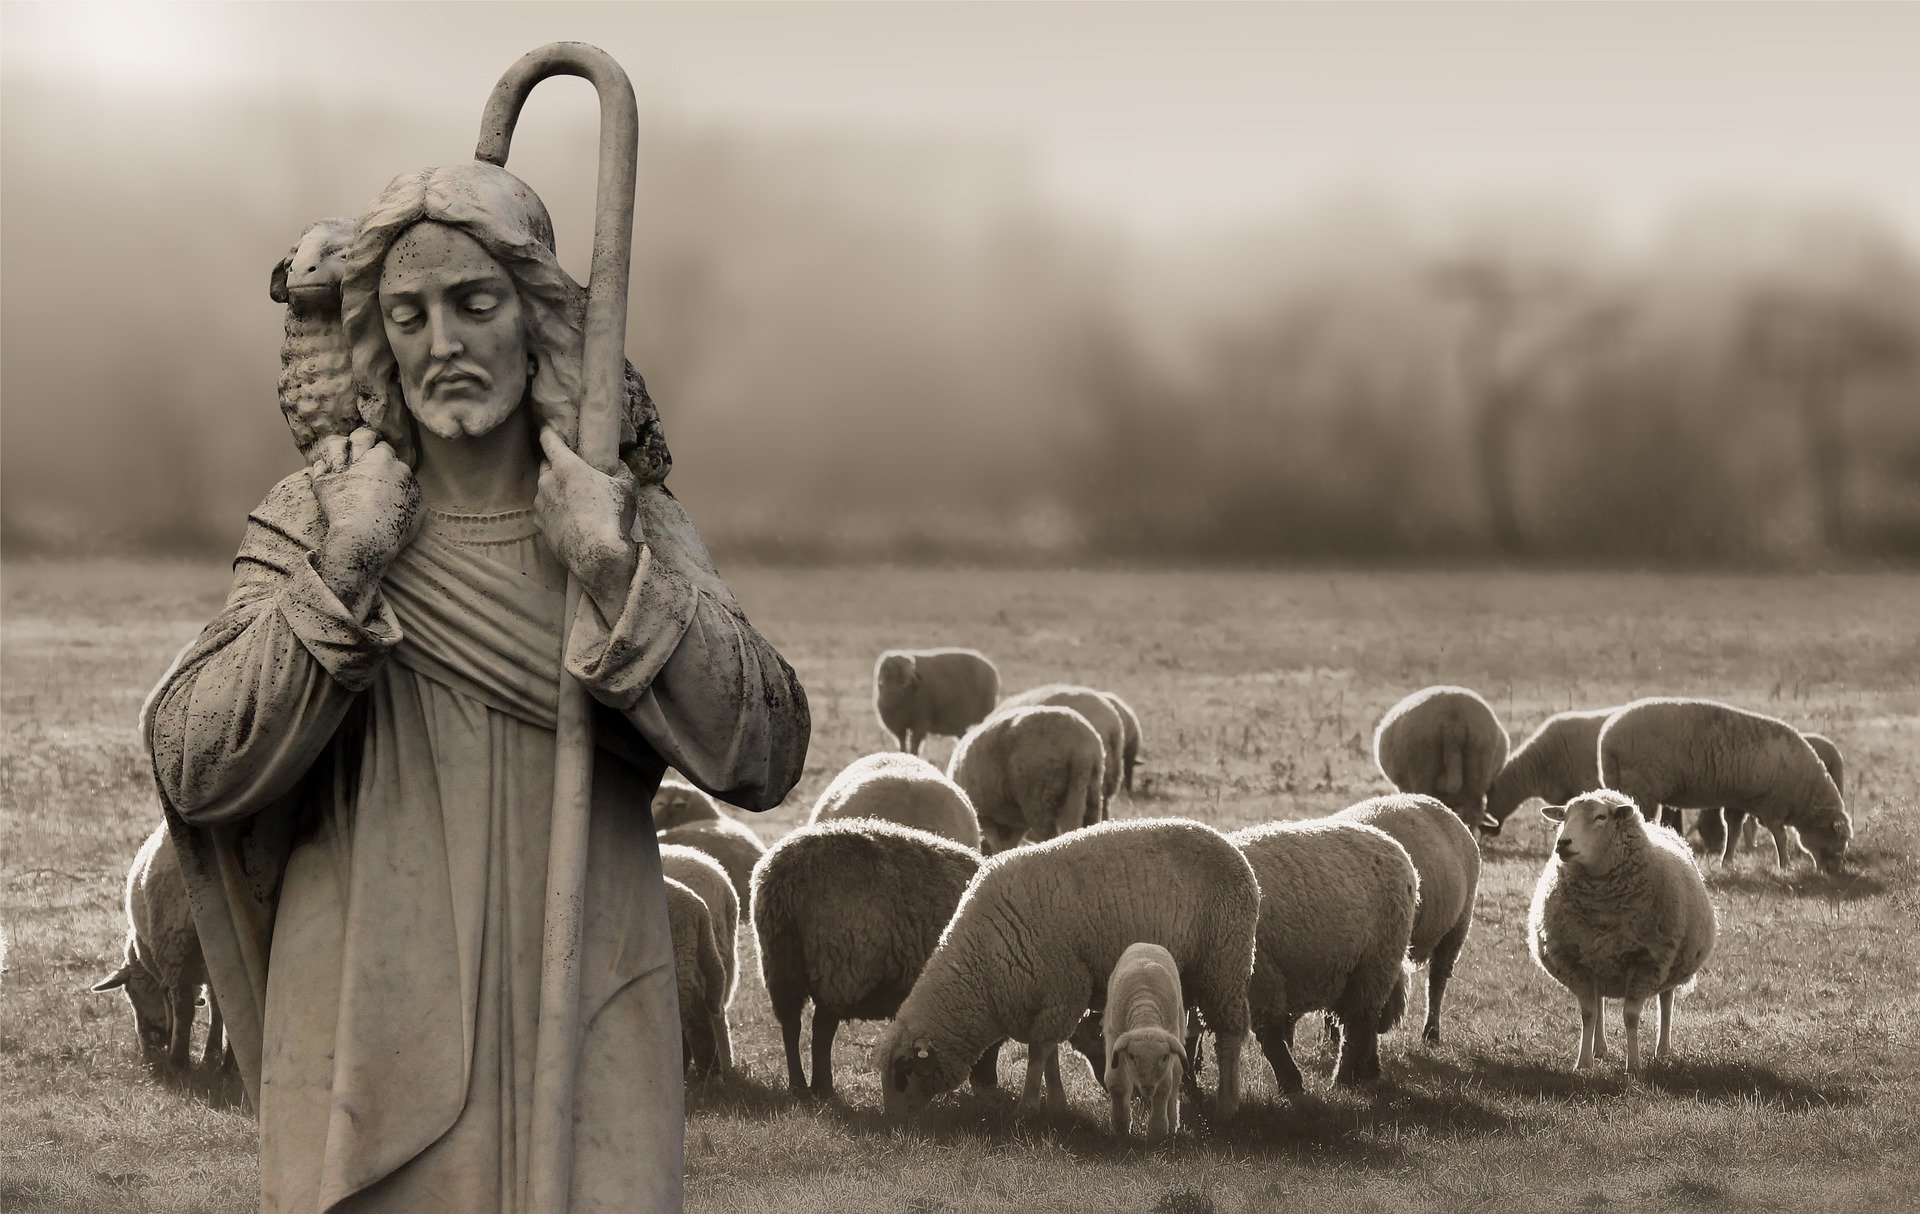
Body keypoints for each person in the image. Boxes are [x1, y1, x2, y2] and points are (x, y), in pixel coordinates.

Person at [144, 162, 810, 1212]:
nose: (442, 341)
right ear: (377, 335)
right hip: (367, 1026)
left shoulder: (618, 511)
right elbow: (193, 757)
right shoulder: (321, 514)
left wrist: (609, 569)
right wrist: (352, 562)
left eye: (474, 301)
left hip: (585, 1012)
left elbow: (764, 746)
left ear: (536, 313)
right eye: (407, 313)